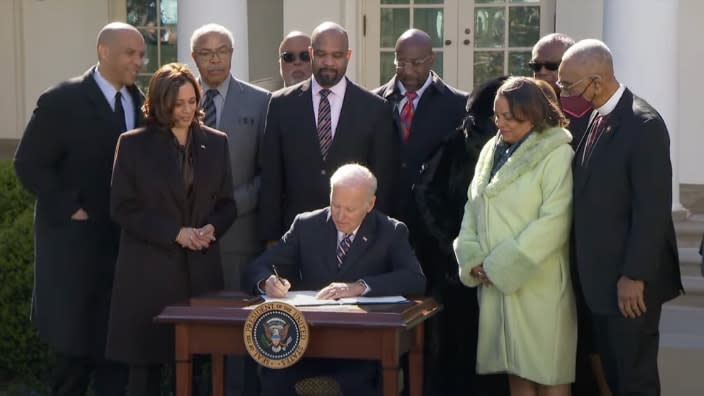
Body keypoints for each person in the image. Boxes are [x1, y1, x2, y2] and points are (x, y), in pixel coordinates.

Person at [13, 22, 145, 396]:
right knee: (73, 357)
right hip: (75, 254)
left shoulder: (140, 102)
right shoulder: (61, 100)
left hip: (123, 253)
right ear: (104, 52)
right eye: (130, 53)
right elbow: (29, 164)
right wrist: (71, 207)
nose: (139, 60)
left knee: (116, 357)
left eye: (141, 53)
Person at [558, 39, 683, 396]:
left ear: (596, 81)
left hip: (629, 286)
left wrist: (635, 275)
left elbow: (651, 210)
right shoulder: (597, 117)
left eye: (568, 85)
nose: (563, 92)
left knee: (634, 379)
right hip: (599, 282)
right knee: (613, 377)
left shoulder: (643, 124)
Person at [106, 63, 237, 396]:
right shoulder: (133, 144)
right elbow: (122, 208)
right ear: (160, 103)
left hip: (200, 273)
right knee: (145, 371)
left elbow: (227, 205)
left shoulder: (217, 142)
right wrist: (175, 233)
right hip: (148, 274)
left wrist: (211, 227)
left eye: (192, 101)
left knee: (199, 366)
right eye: (178, 103)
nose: (187, 110)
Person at [247, 163, 426, 396]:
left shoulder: (390, 231)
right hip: (309, 343)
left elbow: (414, 278)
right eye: (335, 205)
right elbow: (260, 265)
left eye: (350, 209)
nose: (340, 216)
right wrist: (267, 281)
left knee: (356, 384)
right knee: (273, 377)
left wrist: (360, 287)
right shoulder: (306, 225)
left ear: (370, 204)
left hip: (364, 347)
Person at [454, 76, 576, 396]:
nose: (500, 123)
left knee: (549, 372)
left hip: (540, 283)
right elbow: (473, 207)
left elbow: (555, 220)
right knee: (515, 372)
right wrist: (474, 258)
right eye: (497, 115)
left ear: (532, 114)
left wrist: (502, 265)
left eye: (509, 117)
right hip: (493, 282)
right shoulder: (490, 150)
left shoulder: (557, 153)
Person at [372, 28, 473, 395]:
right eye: (401, 61)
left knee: (434, 323)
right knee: (386, 316)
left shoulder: (457, 104)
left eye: (416, 62)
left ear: (431, 60)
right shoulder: (375, 102)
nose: (407, 69)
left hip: (435, 234)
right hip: (384, 230)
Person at [258, 21, 399, 243]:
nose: (329, 62)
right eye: (322, 54)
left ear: (348, 55)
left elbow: (382, 181)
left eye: (337, 55)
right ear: (311, 53)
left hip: (356, 237)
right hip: (295, 236)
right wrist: (271, 239)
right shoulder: (281, 104)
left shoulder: (375, 109)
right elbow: (271, 179)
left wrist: (376, 239)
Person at [190, 22, 271, 396]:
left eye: (221, 50)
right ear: (194, 58)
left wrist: (227, 210)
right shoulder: (180, 98)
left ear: (232, 54)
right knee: (193, 330)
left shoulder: (260, 102)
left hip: (238, 234)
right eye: (205, 53)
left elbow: (266, 172)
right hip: (186, 240)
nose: (215, 59)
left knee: (240, 333)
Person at [530, 33, 589, 146]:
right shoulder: (523, 106)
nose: (542, 72)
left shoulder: (593, 111)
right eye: (536, 66)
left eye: (551, 65)